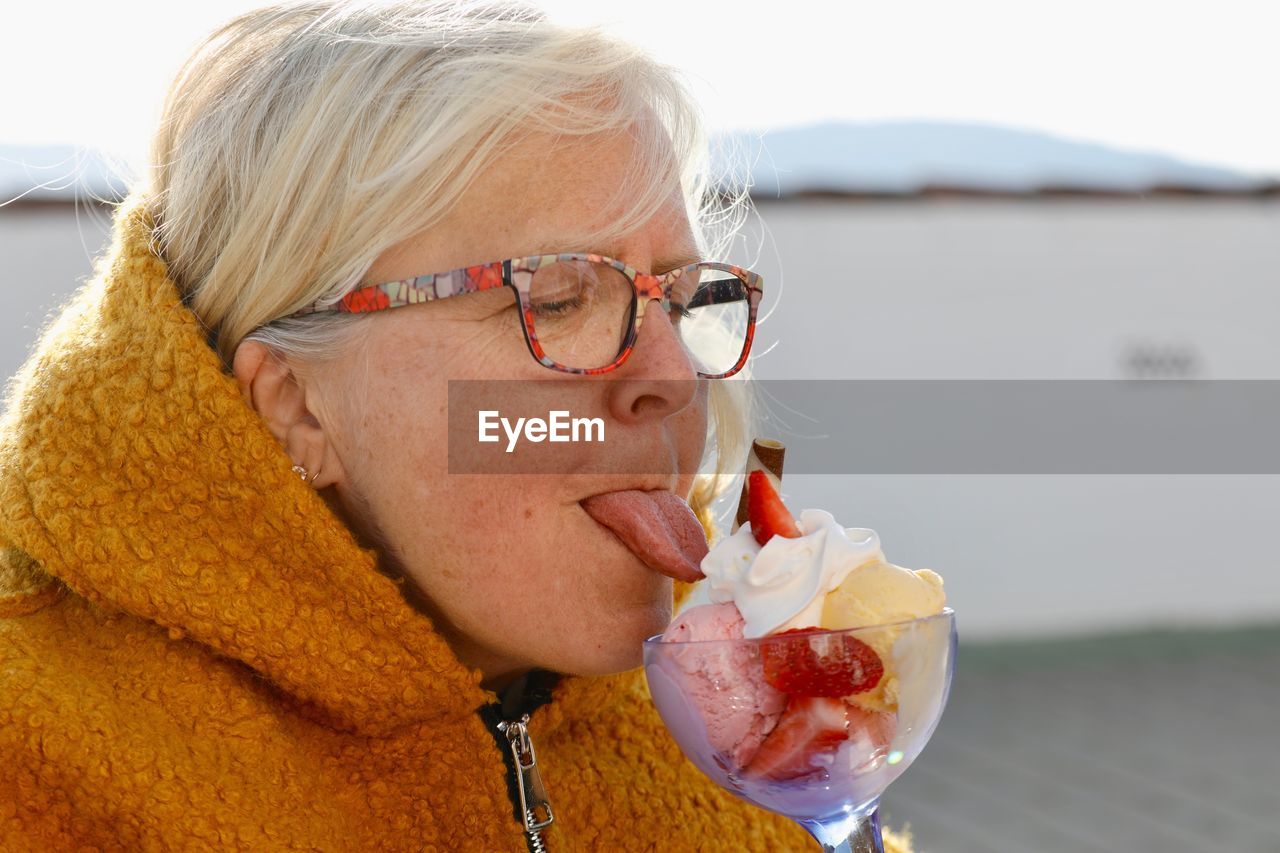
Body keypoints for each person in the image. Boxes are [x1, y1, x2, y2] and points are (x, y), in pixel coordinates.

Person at [0, 2, 913, 850]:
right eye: (556, 299)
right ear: (293, 403)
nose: (674, 378)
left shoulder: (734, 742)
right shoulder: (36, 754)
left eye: (677, 299)